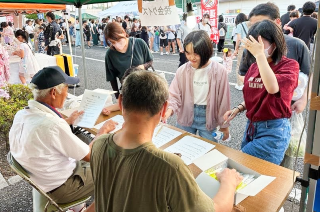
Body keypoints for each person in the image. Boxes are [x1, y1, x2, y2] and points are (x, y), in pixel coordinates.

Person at [86, 70, 243, 212]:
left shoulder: (99, 145)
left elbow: (103, 198)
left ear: (120, 103)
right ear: (163, 109)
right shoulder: (170, 167)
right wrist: (229, 182)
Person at [9, 66, 117, 212]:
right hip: (61, 188)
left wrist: (67, 122)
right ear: (54, 92)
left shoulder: (22, 114)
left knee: (82, 141)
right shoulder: (53, 125)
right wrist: (103, 131)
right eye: (67, 88)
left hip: (41, 179)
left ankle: (78, 207)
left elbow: (44, 131)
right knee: (115, 168)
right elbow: (90, 155)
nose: (67, 93)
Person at [224, 20, 299, 165]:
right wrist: (238, 108)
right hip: (252, 127)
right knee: (248, 175)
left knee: (238, 165)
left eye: (259, 44)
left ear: (275, 44)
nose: (255, 49)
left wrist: (259, 56)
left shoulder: (289, 66)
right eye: (252, 44)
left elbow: (272, 88)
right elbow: (257, 95)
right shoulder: (254, 67)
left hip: (273, 131)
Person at [239, 2, 311, 114]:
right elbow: (243, 74)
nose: (257, 30)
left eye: (262, 23)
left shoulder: (298, 45)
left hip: (289, 108)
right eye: (253, 26)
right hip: (259, 110)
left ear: (277, 22)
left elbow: (309, 76)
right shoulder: (251, 47)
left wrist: (303, 99)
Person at [163, 30, 230, 141]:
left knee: (210, 150)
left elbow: (223, 101)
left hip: (208, 116)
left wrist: (224, 126)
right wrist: (169, 110)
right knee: (182, 148)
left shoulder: (219, 70)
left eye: (196, 53)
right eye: (188, 53)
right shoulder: (182, 70)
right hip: (185, 112)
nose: (191, 57)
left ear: (205, 51)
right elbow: (174, 94)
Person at [104, 22, 153, 98]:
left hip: (146, 88)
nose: (116, 44)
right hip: (127, 92)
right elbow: (112, 78)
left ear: (123, 33)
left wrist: (143, 66)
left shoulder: (139, 43)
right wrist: (118, 96)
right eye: (113, 42)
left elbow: (150, 61)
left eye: (118, 40)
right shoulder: (110, 54)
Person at [234, 13, 249, 91]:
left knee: (239, 65)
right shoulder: (250, 24)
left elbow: (239, 39)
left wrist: (236, 49)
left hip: (243, 46)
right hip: (251, 46)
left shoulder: (239, 25)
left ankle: (240, 84)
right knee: (249, 66)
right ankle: (247, 83)